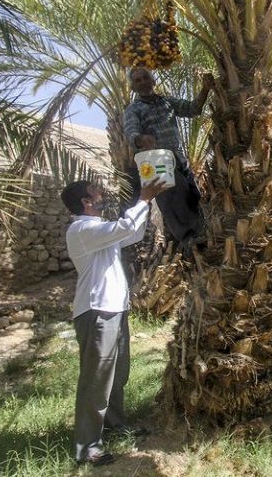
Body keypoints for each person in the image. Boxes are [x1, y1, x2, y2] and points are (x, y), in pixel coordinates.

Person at [59, 179, 169, 467]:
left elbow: (130, 234)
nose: (103, 195)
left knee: (116, 374)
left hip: (113, 310)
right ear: (86, 201)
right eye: (97, 192)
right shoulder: (82, 229)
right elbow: (123, 228)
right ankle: (87, 446)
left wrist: (148, 202)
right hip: (96, 311)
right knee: (96, 379)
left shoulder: (99, 231)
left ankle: (115, 424)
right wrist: (143, 199)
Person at [123, 67, 214, 254]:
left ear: (153, 80)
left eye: (145, 78)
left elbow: (193, 109)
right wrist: (141, 139)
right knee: (172, 199)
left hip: (179, 159)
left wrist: (205, 89)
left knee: (192, 195)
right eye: (137, 80)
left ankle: (202, 234)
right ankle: (188, 239)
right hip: (157, 161)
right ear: (133, 86)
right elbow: (130, 132)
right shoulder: (134, 109)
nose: (142, 82)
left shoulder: (166, 102)